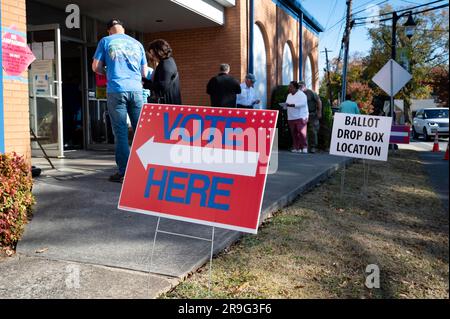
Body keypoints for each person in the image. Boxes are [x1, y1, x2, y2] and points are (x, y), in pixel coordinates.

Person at [92, 19, 151, 183]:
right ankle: (145, 170)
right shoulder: (137, 43)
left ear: (109, 30)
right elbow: (144, 72)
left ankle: (124, 172)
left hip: (116, 90)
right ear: (123, 29)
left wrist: (108, 71)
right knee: (141, 131)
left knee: (121, 133)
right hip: (136, 90)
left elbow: (95, 66)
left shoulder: (106, 41)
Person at [145, 39, 182, 105]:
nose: (152, 57)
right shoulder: (167, 62)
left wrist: (145, 84)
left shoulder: (165, 64)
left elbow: (162, 86)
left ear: (158, 51)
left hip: (168, 105)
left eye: (152, 54)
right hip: (170, 104)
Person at [285, 81, 309, 153]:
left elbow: (302, 104)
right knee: (294, 133)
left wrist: (292, 105)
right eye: (289, 86)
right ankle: (296, 147)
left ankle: (304, 147)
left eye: (291, 87)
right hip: (291, 117)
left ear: (295, 88)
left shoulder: (302, 95)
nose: (289, 88)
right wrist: (284, 106)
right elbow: (287, 104)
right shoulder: (289, 95)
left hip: (300, 116)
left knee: (302, 133)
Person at [299, 81, 322, 153]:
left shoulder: (311, 92)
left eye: (301, 86)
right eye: (299, 86)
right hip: (302, 114)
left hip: (312, 114)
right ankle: (304, 146)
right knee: (302, 131)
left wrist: (319, 112)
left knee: (313, 131)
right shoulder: (298, 94)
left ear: (304, 86)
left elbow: (319, 101)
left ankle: (313, 147)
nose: (300, 87)